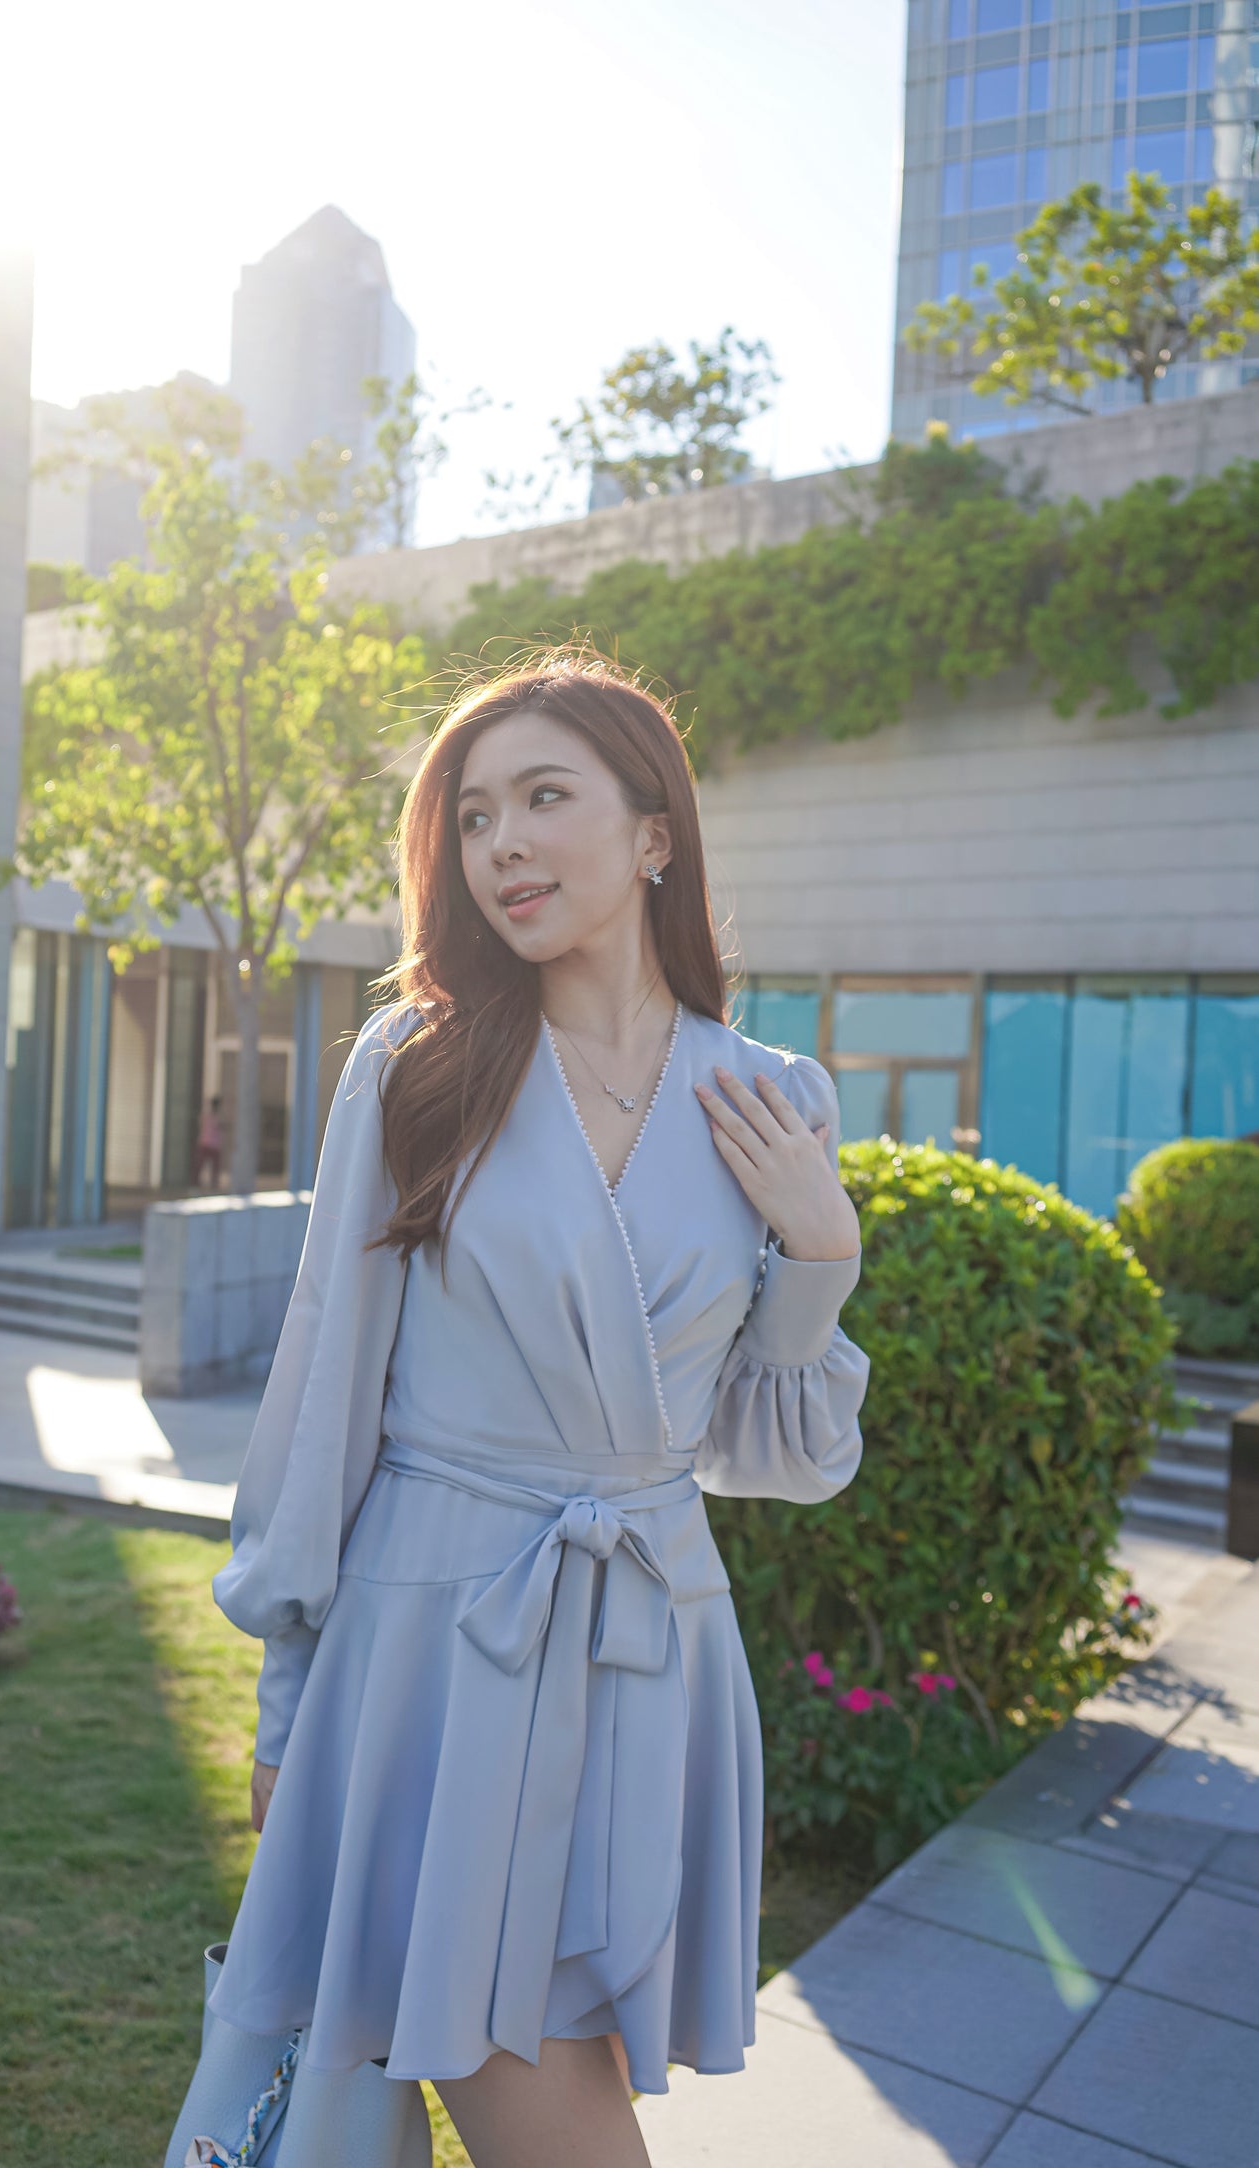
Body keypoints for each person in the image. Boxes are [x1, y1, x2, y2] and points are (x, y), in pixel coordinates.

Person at [194, 654, 869, 2168]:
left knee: (573, 2079)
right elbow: (324, 1394)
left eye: (542, 798)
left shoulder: (768, 1098)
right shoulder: (418, 1068)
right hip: (434, 1652)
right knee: (544, 2109)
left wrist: (820, 1255)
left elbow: (775, 1456)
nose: (500, 843)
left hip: (655, 1649)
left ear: (653, 833)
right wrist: (288, 1705)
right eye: (474, 814)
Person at [193, 1095, 223, 1190]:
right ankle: (197, 1184)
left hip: (208, 1143)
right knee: (202, 1165)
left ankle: (211, 1185)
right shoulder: (214, 1117)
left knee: (212, 1167)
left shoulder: (207, 1116)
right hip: (209, 1144)